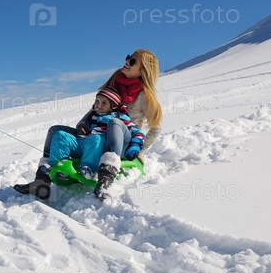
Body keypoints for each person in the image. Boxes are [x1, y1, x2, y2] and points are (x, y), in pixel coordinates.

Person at [13, 49, 162, 200]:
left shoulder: (144, 96)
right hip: (96, 137)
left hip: (123, 143)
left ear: (143, 70)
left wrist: (140, 151)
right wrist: (83, 124)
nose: (127, 61)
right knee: (55, 131)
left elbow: (156, 128)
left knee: (114, 122)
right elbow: (94, 111)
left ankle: (105, 180)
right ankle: (41, 182)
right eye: (128, 57)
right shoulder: (115, 84)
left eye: (132, 61)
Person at [48, 85, 145, 182]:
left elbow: (137, 132)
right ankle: (59, 165)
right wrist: (82, 126)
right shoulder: (91, 116)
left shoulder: (119, 117)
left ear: (113, 106)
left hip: (99, 147)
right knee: (60, 135)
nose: (99, 105)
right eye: (97, 101)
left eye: (104, 103)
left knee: (95, 138)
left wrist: (135, 145)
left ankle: (88, 168)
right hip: (84, 143)